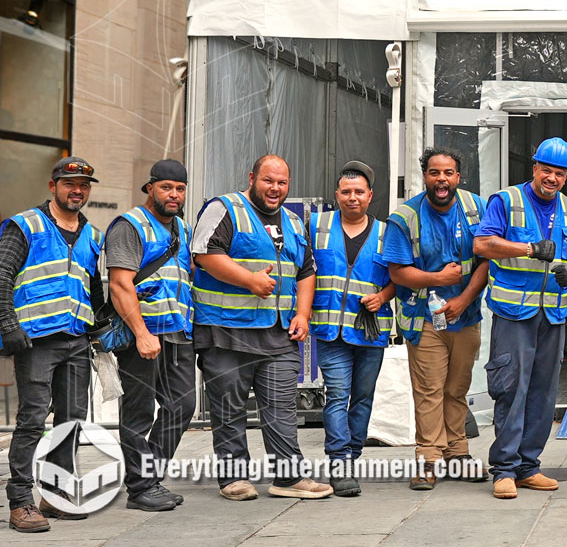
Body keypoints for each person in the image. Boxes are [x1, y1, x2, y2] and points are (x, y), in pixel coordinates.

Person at [191, 155, 332, 501]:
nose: (276, 189)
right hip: (226, 331)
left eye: (282, 183)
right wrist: (249, 281)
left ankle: (288, 477)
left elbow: (306, 271)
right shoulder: (224, 208)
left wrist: (302, 314)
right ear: (252, 177)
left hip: (278, 333)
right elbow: (203, 253)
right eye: (269, 181)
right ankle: (233, 478)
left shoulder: (294, 223)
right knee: (229, 409)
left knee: (282, 408)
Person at [473, 138, 567, 499]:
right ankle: (504, 469)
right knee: (511, 387)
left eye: (559, 173)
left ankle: (528, 467)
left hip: (552, 313)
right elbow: (482, 244)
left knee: (543, 392)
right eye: (546, 170)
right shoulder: (506, 201)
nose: (552, 178)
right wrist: (529, 249)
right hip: (513, 313)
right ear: (534, 168)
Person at [1, 158, 106, 532]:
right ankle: (20, 501)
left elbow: (92, 287)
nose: (77, 190)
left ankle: (56, 495)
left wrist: (100, 326)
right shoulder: (25, 225)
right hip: (36, 340)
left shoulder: (92, 234)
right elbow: (1, 274)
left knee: (72, 422)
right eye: (70, 183)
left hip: (76, 340)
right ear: (53, 185)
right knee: (31, 420)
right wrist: (8, 324)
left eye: (84, 184)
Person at [380, 147, 489, 490]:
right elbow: (397, 272)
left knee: (456, 389)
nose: (441, 179)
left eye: (448, 173)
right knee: (429, 390)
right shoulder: (405, 218)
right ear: (424, 176)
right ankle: (428, 459)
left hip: (466, 315)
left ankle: (457, 454)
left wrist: (462, 299)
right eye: (434, 173)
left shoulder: (476, 208)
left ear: (458, 176)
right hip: (422, 318)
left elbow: (487, 260)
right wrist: (437, 280)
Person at [106, 159, 195, 512]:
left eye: (180, 189)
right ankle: (142, 487)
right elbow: (120, 283)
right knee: (138, 414)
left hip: (176, 334)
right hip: (140, 337)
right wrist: (141, 334)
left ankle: (147, 478)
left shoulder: (182, 229)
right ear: (150, 188)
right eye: (166, 188)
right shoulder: (130, 225)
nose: (173, 195)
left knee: (183, 406)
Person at [308, 161, 394, 497]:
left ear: (370, 195)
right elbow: (303, 274)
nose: (352, 197)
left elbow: (399, 277)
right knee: (337, 395)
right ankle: (340, 462)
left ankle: (353, 455)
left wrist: (383, 295)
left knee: (362, 398)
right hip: (330, 331)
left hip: (370, 332)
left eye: (359, 192)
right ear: (336, 195)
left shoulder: (388, 232)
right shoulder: (316, 226)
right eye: (346, 192)